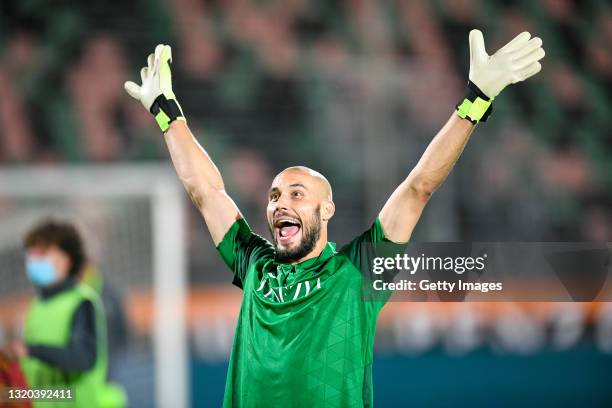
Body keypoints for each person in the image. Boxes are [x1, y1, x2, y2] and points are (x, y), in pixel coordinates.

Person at [125, 29, 545, 407]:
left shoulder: (357, 269)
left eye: (296, 193)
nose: (280, 203)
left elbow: (418, 187)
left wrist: (475, 102)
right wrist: (166, 111)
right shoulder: (253, 263)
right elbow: (206, 192)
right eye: (273, 196)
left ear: (327, 209)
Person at [2, 220, 125, 408]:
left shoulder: (81, 302)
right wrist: (10, 394)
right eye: (31, 253)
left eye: (42, 253)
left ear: (67, 259)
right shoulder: (37, 306)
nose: (33, 260)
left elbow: (83, 358)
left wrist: (30, 350)